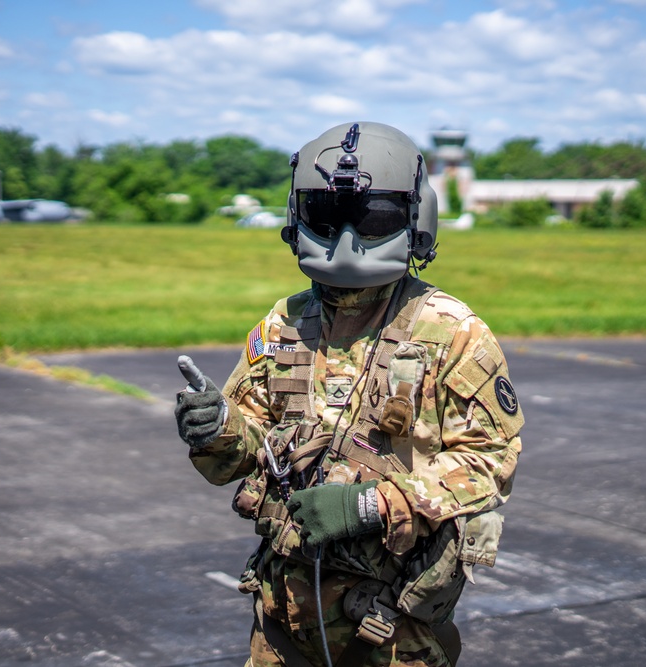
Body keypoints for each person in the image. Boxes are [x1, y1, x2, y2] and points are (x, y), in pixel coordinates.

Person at [175, 121, 523, 667]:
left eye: (373, 216)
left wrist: (370, 505)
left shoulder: (449, 329)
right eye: (324, 215)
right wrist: (216, 426)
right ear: (297, 218)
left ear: (413, 220)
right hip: (283, 622)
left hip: (390, 630)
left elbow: (490, 460)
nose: (346, 237)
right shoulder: (287, 322)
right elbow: (244, 452)